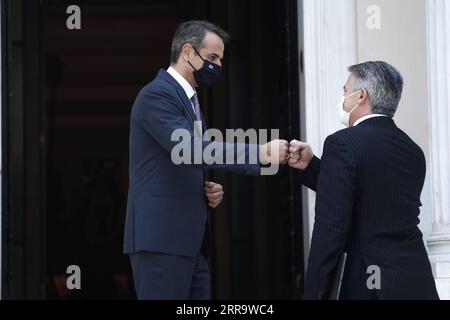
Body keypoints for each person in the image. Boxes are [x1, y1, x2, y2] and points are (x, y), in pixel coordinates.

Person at [123, 20, 289, 300]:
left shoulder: (188, 99)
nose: (218, 66)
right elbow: (190, 149)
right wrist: (259, 153)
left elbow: (184, 159)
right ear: (187, 52)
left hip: (191, 244)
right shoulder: (157, 95)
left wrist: (203, 189)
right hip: (163, 241)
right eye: (212, 57)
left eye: (221, 59)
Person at [288, 61, 439, 300]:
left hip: (369, 284)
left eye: (345, 90)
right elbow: (373, 196)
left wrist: (314, 293)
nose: (343, 97)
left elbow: (330, 230)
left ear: (361, 96)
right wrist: (313, 166)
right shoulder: (412, 149)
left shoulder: (342, 143)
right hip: (414, 279)